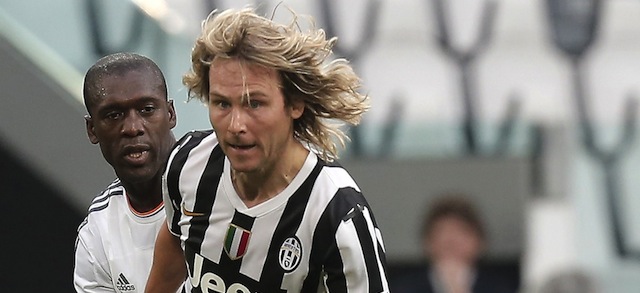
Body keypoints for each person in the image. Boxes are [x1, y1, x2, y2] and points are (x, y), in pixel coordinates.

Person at [145, 7, 389, 293]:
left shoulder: (338, 213)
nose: (236, 125)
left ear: (295, 104)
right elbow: (174, 246)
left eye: (254, 103)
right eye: (222, 103)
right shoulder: (187, 162)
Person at [73, 52, 178, 292]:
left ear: (170, 114)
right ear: (92, 129)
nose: (132, 128)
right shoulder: (97, 235)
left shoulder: (222, 182)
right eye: (114, 115)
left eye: (147, 109)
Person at [391, 194, 517, 293]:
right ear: (427, 242)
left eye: (461, 232)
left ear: (480, 242)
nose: (451, 241)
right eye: (442, 232)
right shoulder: (404, 288)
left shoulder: (499, 287)